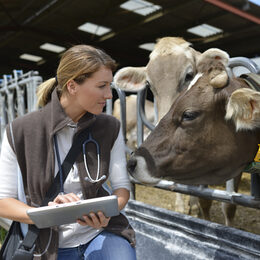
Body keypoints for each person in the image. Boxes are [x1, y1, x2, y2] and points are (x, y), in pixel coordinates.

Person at [0, 45, 136, 260]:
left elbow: (122, 189)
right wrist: (47, 213)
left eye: (109, 86)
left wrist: (106, 214)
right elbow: (3, 202)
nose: (109, 95)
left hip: (98, 234)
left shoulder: (110, 127)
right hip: (44, 243)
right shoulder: (18, 132)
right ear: (72, 86)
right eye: (102, 86)